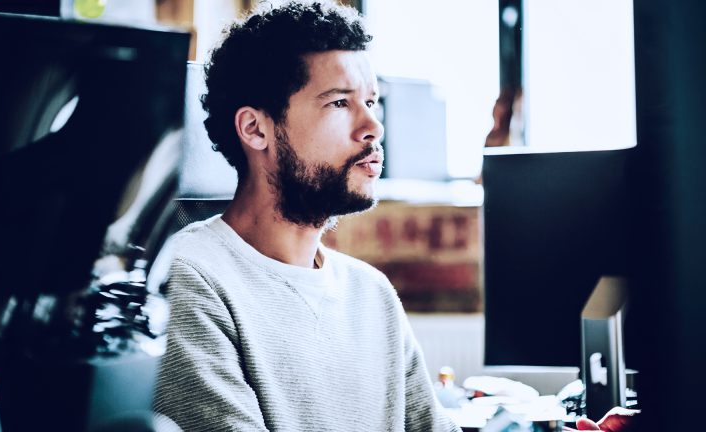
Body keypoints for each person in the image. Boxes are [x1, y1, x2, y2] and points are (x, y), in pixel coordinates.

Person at [152, 1, 637, 431]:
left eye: (371, 101)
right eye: (340, 102)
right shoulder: (190, 281)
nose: (373, 126)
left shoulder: (371, 293)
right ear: (255, 129)